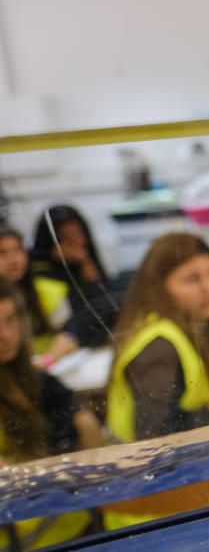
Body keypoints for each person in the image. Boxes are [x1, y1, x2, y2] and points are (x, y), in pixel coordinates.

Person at [103, 233, 209, 530]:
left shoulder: (187, 328)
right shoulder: (160, 346)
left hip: (184, 495)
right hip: (155, 516)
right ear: (159, 288)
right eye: (191, 279)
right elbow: (152, 437)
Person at [0, 281, 102, 549]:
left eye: (12, 320)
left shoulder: (34, 378)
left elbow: (88, 431)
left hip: (75, 521)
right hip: (25, 536)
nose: (6, 335)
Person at [29, 204, 117, 349]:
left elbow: (106, 303)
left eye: (78, 232)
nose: (75, 240)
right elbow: (74, 313)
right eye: (65, 236)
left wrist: (86, 264)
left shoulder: (86, 260)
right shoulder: (39, 271)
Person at [0, 226, 78, 365]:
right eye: (2, 253)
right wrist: (49, 359)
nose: (13, 259)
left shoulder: (49, 291)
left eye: (18, 250)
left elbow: (68, 339)